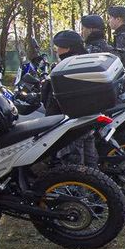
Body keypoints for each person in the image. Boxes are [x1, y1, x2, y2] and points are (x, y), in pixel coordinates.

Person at [41, 30, 99, 165]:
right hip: (88, 120)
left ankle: (76, 187)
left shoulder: (66, 66)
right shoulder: (87, 61)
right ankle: (96, 185)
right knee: (91, 164)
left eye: (58, 47)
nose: (56, 50)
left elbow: (51, 99)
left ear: (67, 48)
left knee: (73, 166)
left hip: (69, 125)